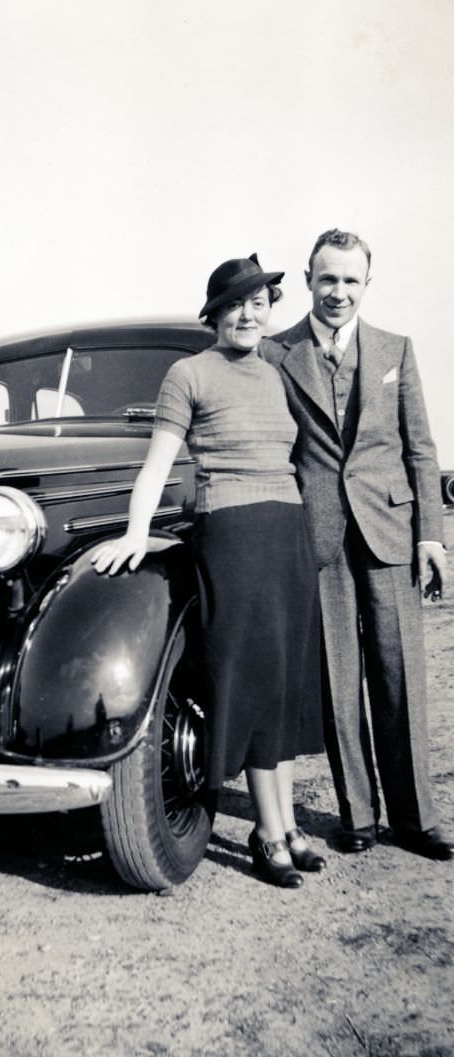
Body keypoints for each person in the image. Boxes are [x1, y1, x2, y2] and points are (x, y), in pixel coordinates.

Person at [92, 256, 324, 888]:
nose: (248, 315)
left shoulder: (277, 369)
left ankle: (282, 826)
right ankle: (270, 835)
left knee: (281, 682)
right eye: (234, 305)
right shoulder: (188, 372)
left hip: (288, 531)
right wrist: (136, 533)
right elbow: (158, 464)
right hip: (235, 533)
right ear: (214, 314)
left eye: (259, 303)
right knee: (249, 681)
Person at [262, 229, 453, 861]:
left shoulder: (397, 349)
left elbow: (420, 450)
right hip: (317, 538)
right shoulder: (274, 353)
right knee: (339, 682)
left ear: (367, 283)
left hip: (391, 531)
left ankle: (418, 818)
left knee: (399, 677)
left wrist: (432, 535)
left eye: (350, 280)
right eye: (327, 279)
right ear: (309, 279)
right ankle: (360, 815)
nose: (338, 292)